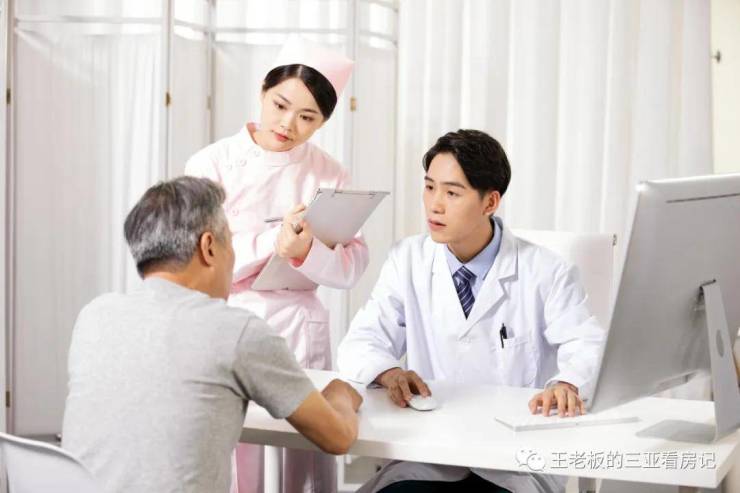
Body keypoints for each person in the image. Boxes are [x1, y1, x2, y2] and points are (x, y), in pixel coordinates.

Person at [337, 130, 606, 493]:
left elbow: (588, 344)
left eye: (452, 193)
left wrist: (567, 382)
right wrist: (387, 372)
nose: (434, 205)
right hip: (428, 455)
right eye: (429, 187)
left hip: (513, 462)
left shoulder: (546, 270)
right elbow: (360, 341)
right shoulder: (407, 260)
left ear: (490, 202)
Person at [62, 176, 363, 493]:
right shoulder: (235, 331)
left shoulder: (94, 316)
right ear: (208, 247)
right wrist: (341, 392)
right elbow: (337, 437)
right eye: (229, 243)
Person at [185, 35, 368, 493]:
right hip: (233, 325)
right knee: (240, 462)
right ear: (263, 91)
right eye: (280, 105)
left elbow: (351, 267)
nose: (288, 124)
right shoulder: (212, 164)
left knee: (300, 466)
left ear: (324, 121)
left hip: (300, 331)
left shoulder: (330, 173)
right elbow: (197, 260)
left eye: (308, 117)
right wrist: (275, 242)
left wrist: (306, 253)